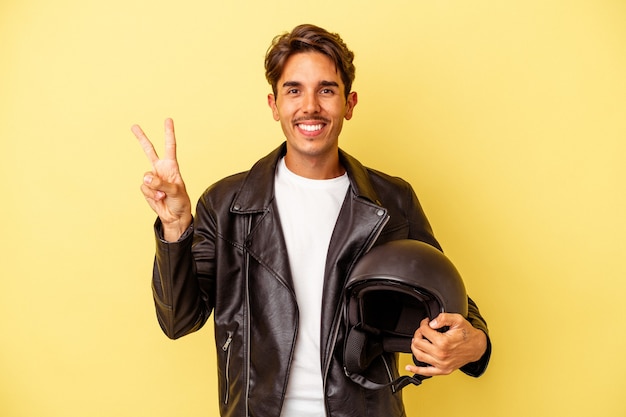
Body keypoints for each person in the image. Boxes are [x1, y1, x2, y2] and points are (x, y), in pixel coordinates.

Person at [132, 23, 491, 417]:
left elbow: (450, 302)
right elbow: (178, 320)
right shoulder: (225, 204)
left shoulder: (393, 201)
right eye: (293, 90)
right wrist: (175, 227)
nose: (310, 107)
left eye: (326, 89)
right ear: (273, 105)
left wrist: (474, 344)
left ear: (349, 103)